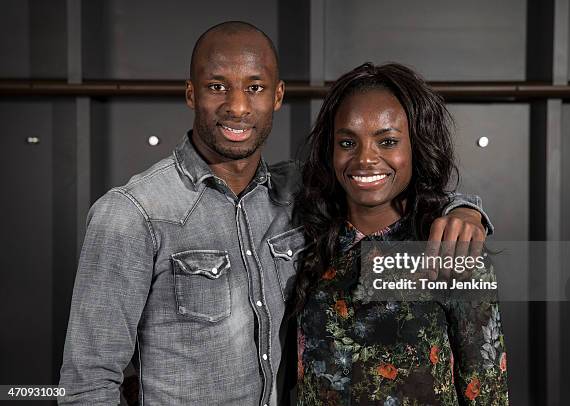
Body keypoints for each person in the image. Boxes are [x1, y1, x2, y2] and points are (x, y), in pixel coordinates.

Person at [59, 22, 492, 405]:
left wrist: (466, 210)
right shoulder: (132, 215)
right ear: (191, 93)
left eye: (254, 87)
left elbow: (387, 182)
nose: (238, 107)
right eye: (216, 87)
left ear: (277, 95)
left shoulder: (298, 195)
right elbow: (86, 384)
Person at [295, 63, 509, 405]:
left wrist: (467, 210)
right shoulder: (306, 241)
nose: (365, 158)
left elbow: (486, 388)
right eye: (347, 142)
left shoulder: (451, 247)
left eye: (388, 141)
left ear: (415, 146)